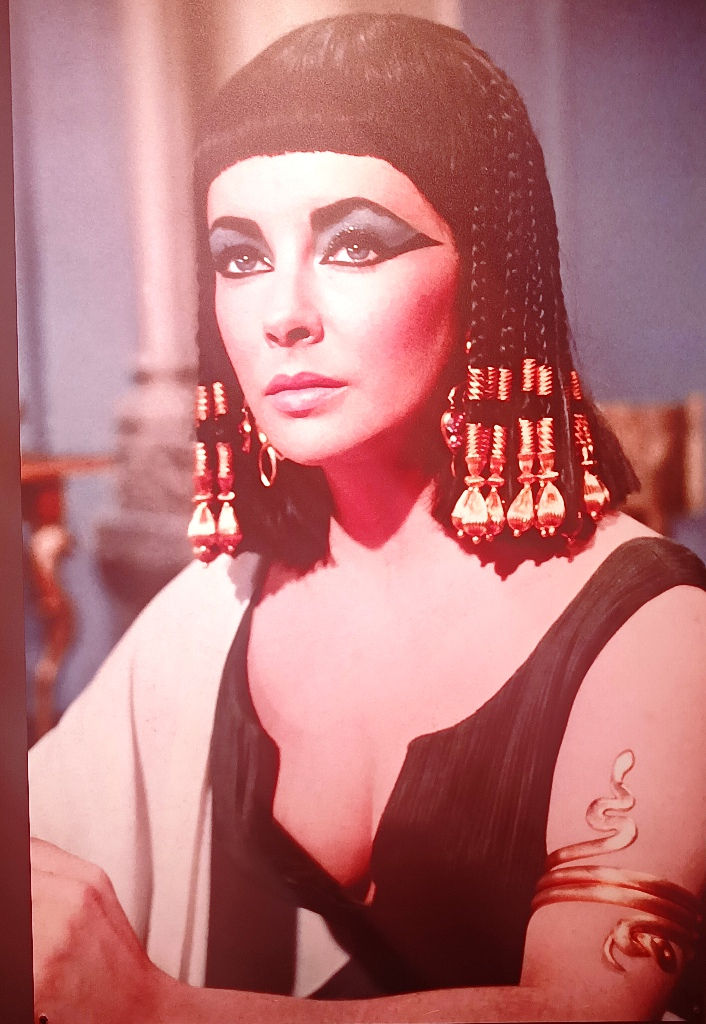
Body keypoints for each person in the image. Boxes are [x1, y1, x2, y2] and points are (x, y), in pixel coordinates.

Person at [28, 13, 706, 1024]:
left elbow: (583, 1012)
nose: (282, 313)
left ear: (487, 274)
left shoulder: (657, 633)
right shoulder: (218, 604)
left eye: (353, 244)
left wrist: (151, 1009)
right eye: (240, 257)